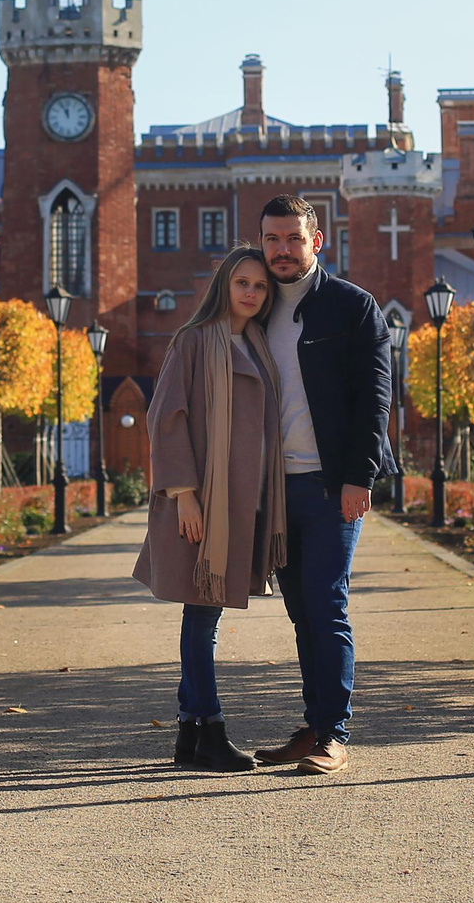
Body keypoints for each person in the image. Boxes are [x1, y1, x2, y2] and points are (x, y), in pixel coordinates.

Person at [248, 193, 393, 776]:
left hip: (333, 487)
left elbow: (375, 398)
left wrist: (360, 475)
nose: (282, 250)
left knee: (327, 602)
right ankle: (314, 723)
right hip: (274, 488)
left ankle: (335, 732)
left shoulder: (352, 308)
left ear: (317, 241)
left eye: (293, 239)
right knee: (301, 611)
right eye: (272, 240)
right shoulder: (250, 307)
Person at [131, 246, 286, 773]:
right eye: (241, 282)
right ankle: (210, 729)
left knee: (204, 617)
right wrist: (185, 494)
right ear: (223, 285)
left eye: (260, 286)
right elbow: (166, 419)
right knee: (201, 617)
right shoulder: (194, 341)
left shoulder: (261, 344)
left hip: (242, 504)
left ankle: (190, 735)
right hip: (199, 506)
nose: (251, 292)